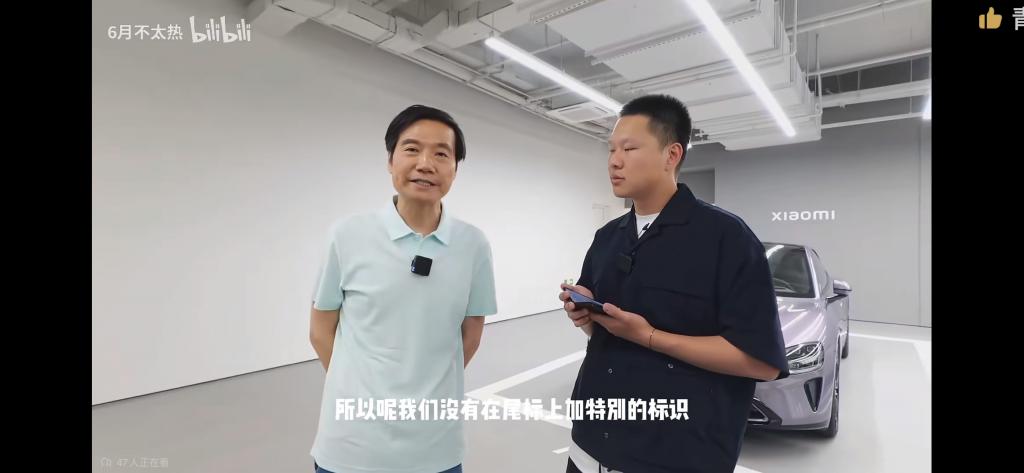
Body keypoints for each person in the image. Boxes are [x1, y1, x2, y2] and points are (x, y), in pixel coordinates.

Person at [559, 94, 790, 473]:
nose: (614, 161)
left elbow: (761, 362)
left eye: (629, 148)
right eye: (611, 149)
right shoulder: (607, 237)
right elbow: (603, 333)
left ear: (672, 154)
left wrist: (649, 336)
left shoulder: (726, 238)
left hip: (677, 455)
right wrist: (586, 314)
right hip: (589, 445)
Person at [308, 105, 497, 473]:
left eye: (441, 154)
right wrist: (359, 388)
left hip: (436, 448)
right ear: (390, 160)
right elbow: (320, 330)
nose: (425, 164)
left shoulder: (473, 245)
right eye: (411, 149)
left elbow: (471, 336)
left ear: (455, 169)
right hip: (350, 448)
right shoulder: (347, 235)